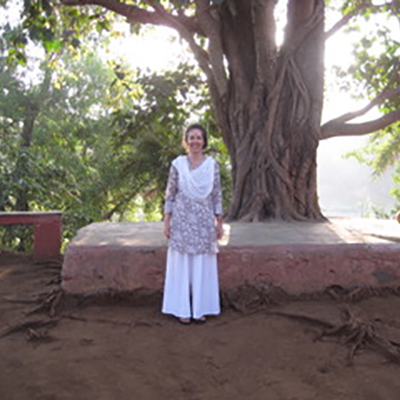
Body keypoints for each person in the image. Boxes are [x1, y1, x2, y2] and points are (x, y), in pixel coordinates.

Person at [162, 123, 224, 325]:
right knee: (181, 262)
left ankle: (201, 308)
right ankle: (181, 309)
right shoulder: (177, 165)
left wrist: (219, 222)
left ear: (204, 141)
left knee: (201, 264)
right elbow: (170, 194)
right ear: (186, 141)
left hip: (204, 221)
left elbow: (217, 195)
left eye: (199, 137)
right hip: (181, 220)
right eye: (192, 137)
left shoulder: (211, 165)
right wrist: (167, 221)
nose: (195, 141)